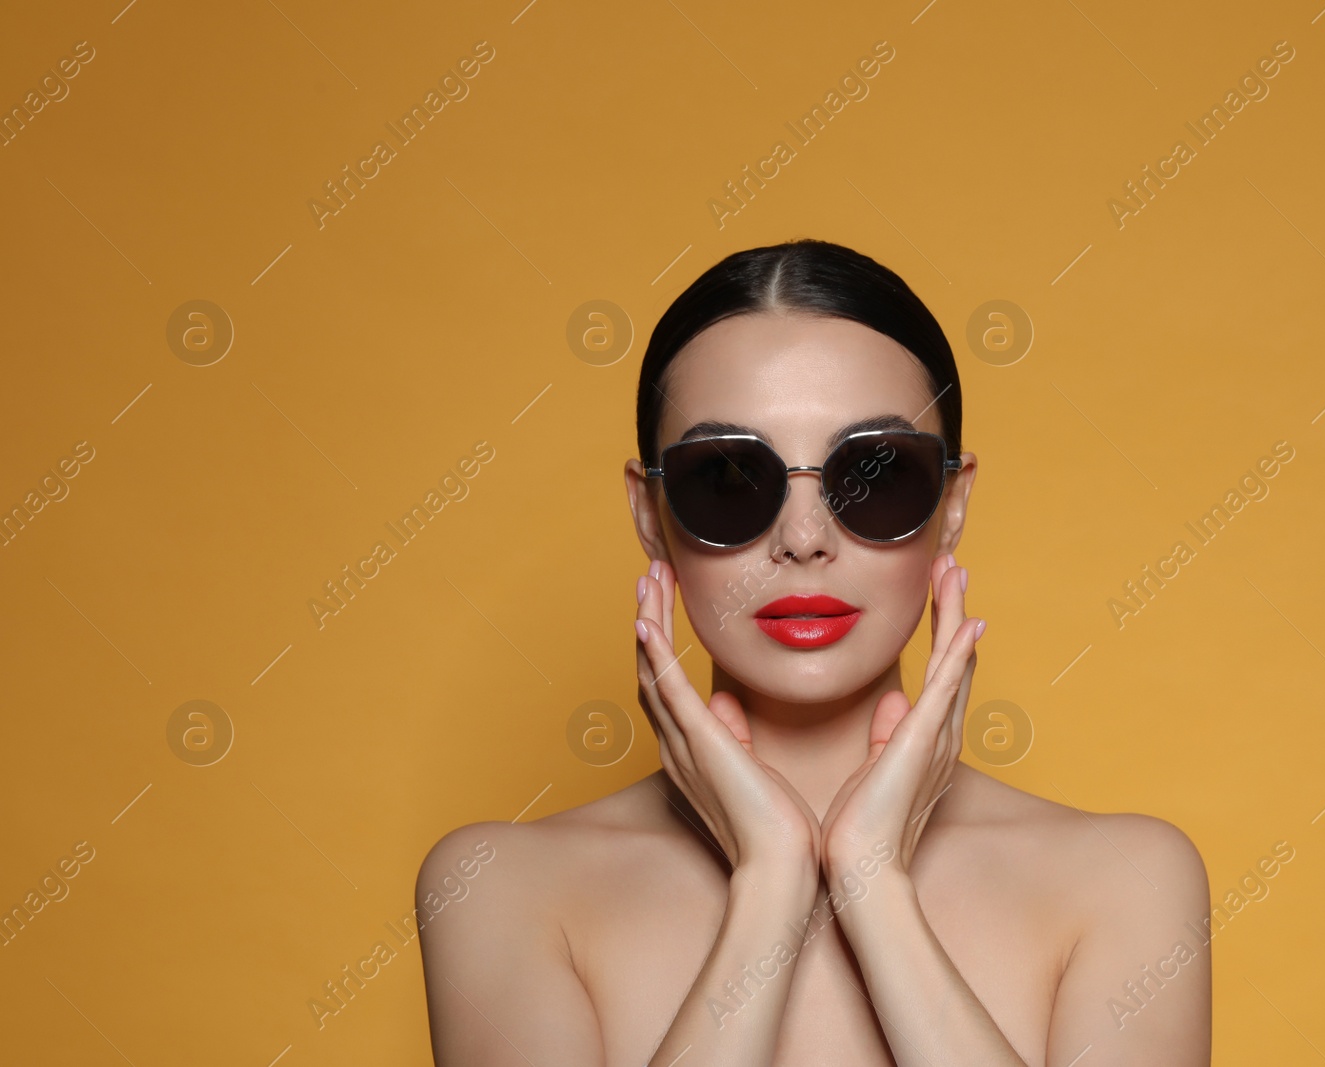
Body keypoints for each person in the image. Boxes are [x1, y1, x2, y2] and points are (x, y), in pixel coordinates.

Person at [416, 238, 1212, 1065]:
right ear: (650, 512)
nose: (803, 539)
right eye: (727, 477)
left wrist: (873, 880)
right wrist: (769, 883)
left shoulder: (1128, 884)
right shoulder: (499, 890)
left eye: (874, 472)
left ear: (954, 498)